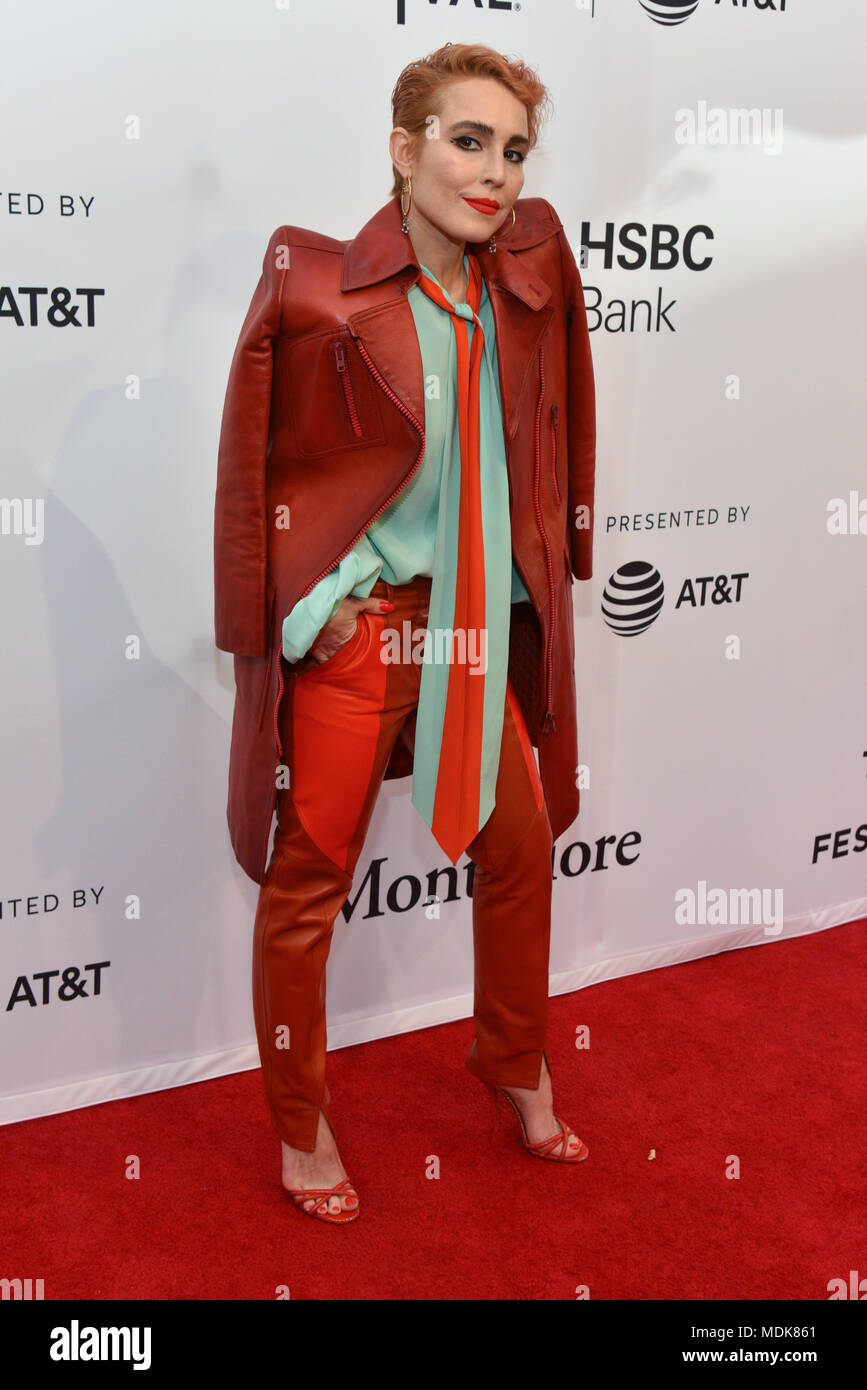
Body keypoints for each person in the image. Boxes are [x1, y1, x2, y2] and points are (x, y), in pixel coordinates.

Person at [214, 42, 597, 1224]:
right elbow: (256, 475)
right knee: (310, 876)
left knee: (524, 847)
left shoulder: (529, 281)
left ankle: (515, 1060)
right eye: (467, 140)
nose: (494, 173)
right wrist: (306, 615)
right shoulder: (321, 288)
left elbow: (559, 425)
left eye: (514, 150)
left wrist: (558, 561)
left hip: (478, 624)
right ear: (404, 148)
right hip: (367, 625)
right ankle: (300, 1117)